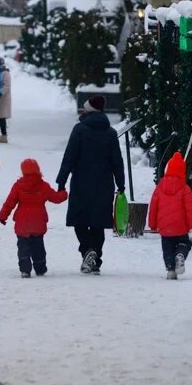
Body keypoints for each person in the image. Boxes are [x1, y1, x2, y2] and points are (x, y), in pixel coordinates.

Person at [55, 103, 125, 274]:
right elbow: (117, 161)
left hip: (81, 183)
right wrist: (121, 183)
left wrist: (61, 181)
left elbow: (69, 157)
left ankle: (87, 251)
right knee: (98, 224)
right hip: (104, 185)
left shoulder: (79, 130)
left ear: (88, 111)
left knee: (80, 221)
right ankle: (95, 259)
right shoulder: (111, 133)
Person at [0, 158, 67, 277]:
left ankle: (25, 269)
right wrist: (64, 193)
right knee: (38, 246)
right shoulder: (43, 186)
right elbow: (56, 198)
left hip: (22, 223)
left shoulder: (18, 186)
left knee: (23, 247)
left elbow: (10, 203)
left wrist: (3, 216)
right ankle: (40, 268)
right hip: (38, 222)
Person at [147, 152, 192, 280]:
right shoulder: (185, 188)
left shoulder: (160, 187)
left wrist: (153, 224)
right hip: (180, 226)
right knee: (184, 242)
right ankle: (180, 254)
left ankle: (171, 271)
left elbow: (153, 207)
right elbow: (190, 209)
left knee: (167, 249)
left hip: (165, 227)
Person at [0, 54, 12, 143]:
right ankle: (3, 135)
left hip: (3, 98)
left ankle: (4, 135)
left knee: (1, 117)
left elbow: (7, 86)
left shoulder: (5, 73)